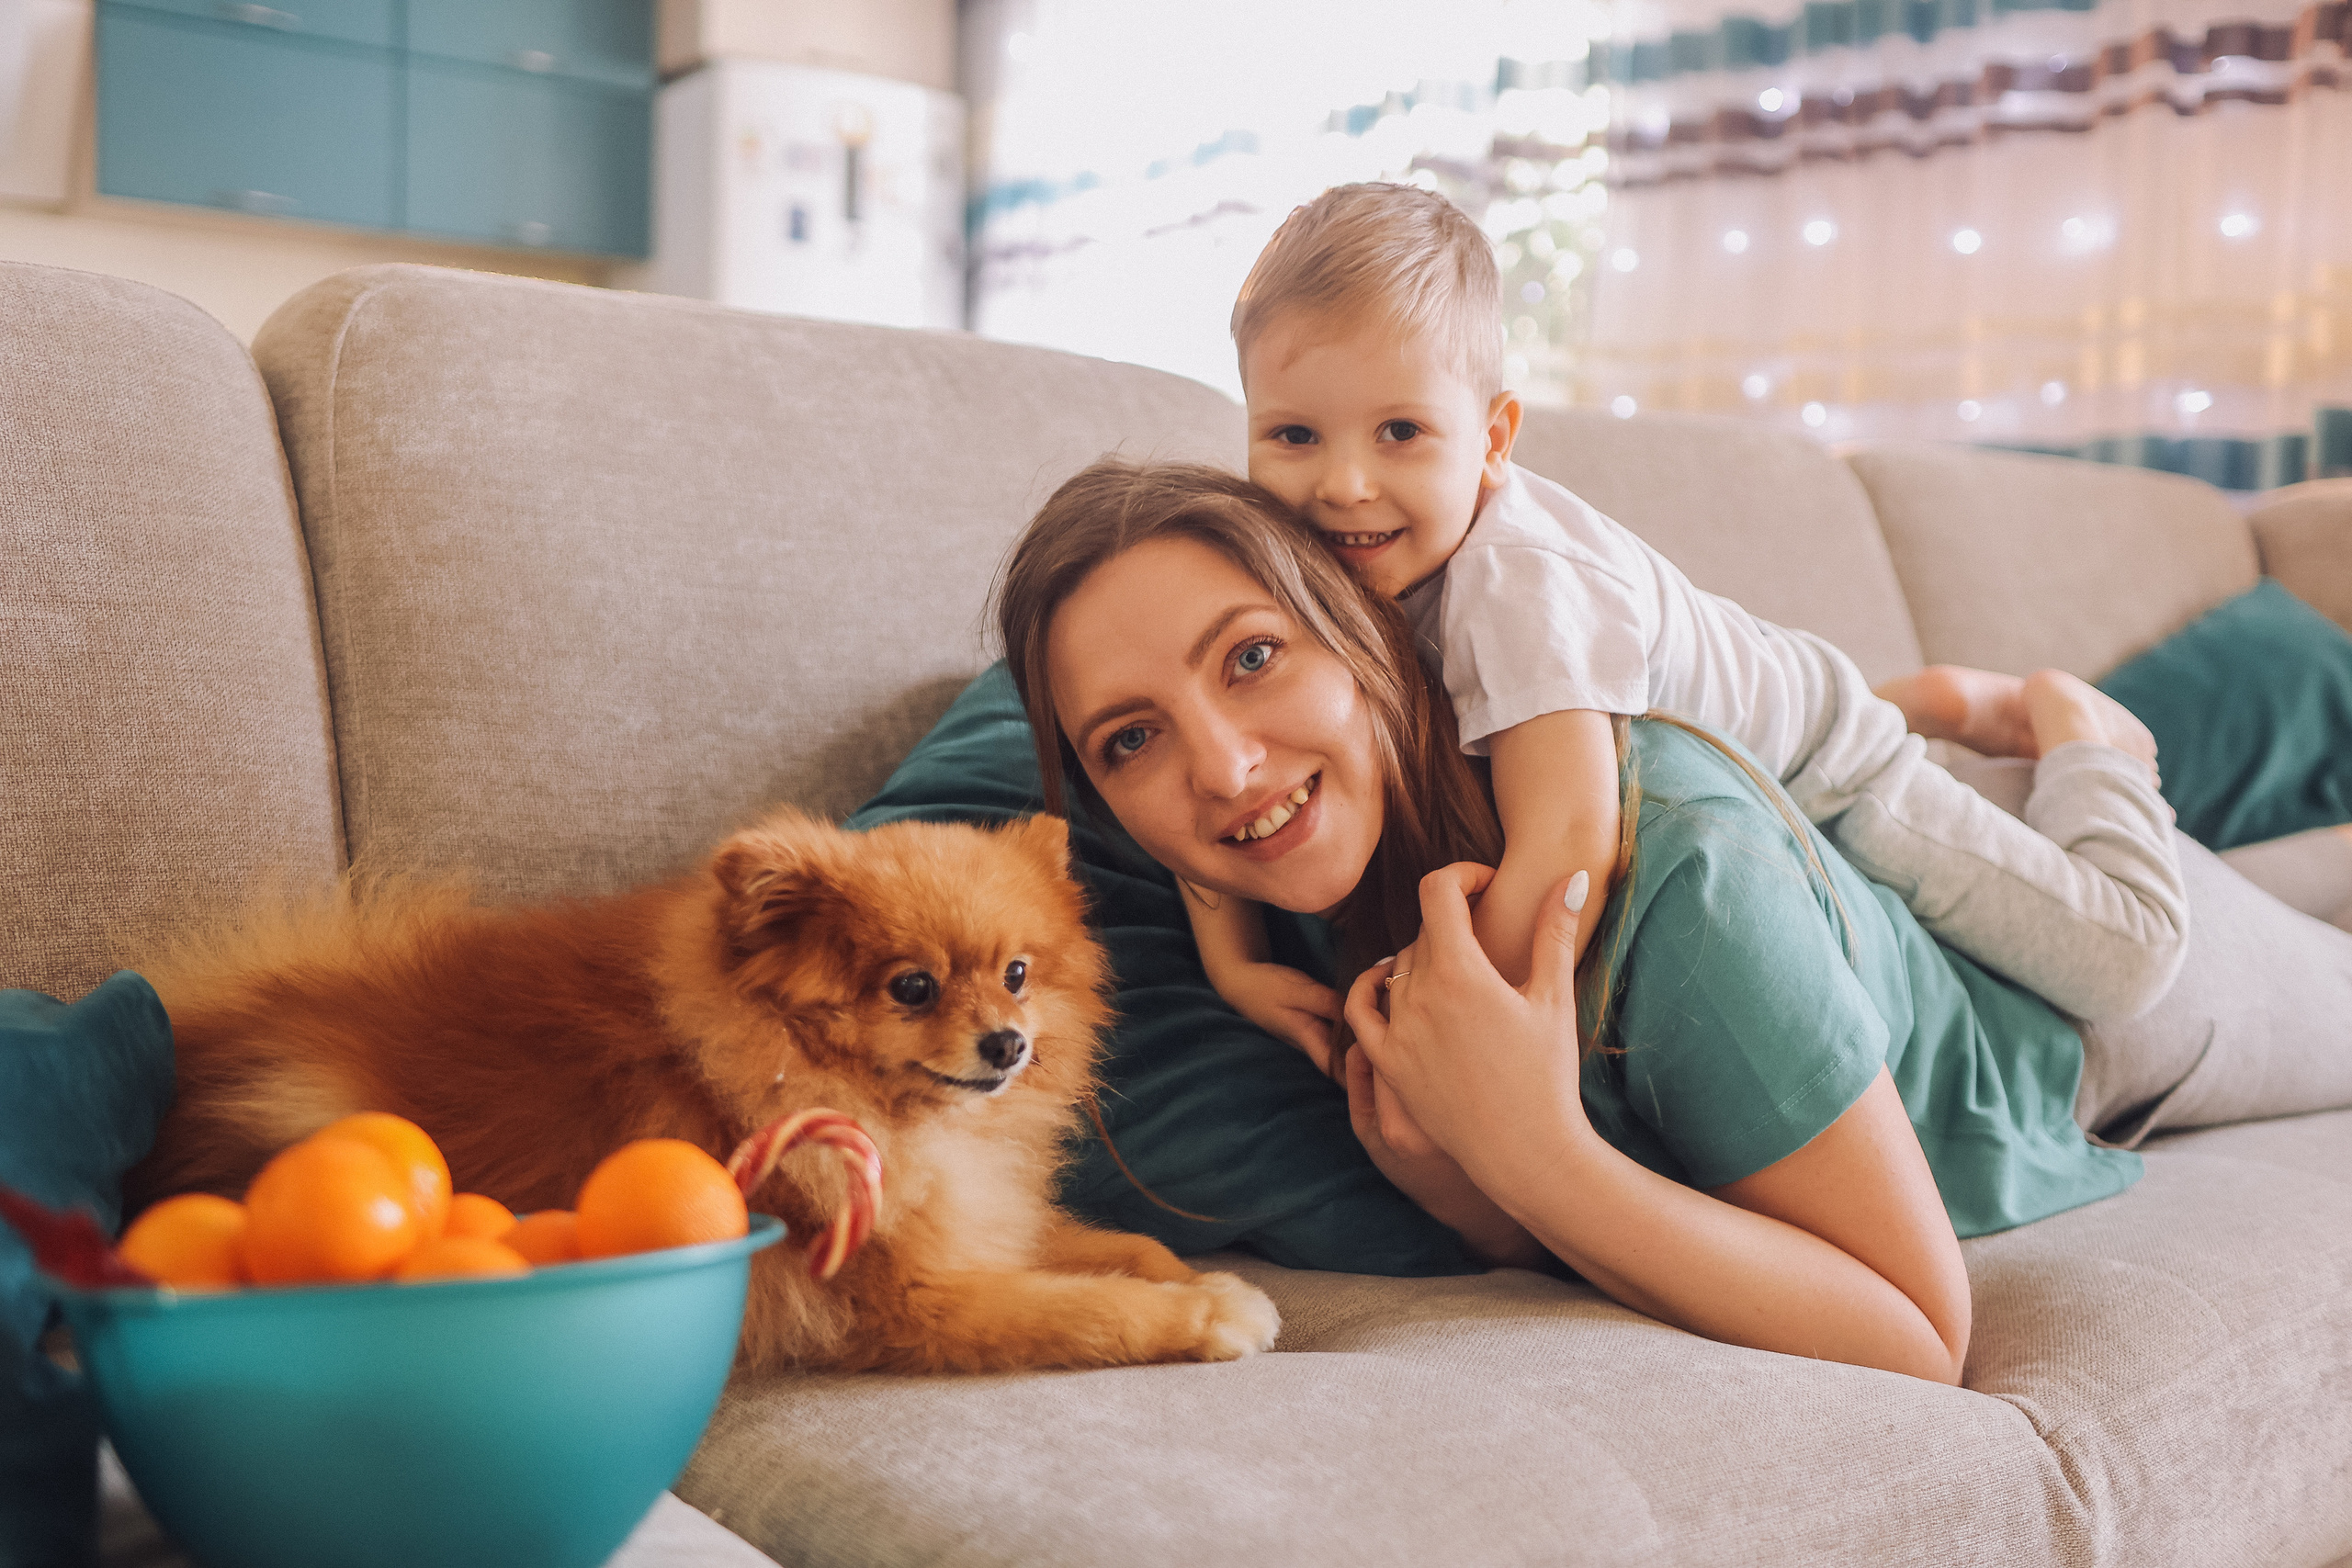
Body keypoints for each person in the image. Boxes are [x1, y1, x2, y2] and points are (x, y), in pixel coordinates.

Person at [994, 459, 2352, 1383]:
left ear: (1362, 636)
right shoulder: (1283, 875)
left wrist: (1537, 1153)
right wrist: (1469, 1183)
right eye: (1130, 737)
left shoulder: (1672, 867)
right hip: (1891, 876)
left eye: (1251, 656)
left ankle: (2085, 729)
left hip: (2080, 998)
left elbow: (1918, 1332)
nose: (1223, 767)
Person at [1179, 181, 2184, 1071]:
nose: (1342, 484)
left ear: (1490, 442)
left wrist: (1442, 1031)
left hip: (1827, 775)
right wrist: (1232, 967)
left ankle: (2064, 724)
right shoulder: (1285, 549)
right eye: (1294, 435)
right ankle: (1920, 699)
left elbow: (1571, 843)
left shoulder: (1518, 586)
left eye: (1400, 432)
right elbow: (1213, 750)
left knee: (2121, 960)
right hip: (1732, 681)